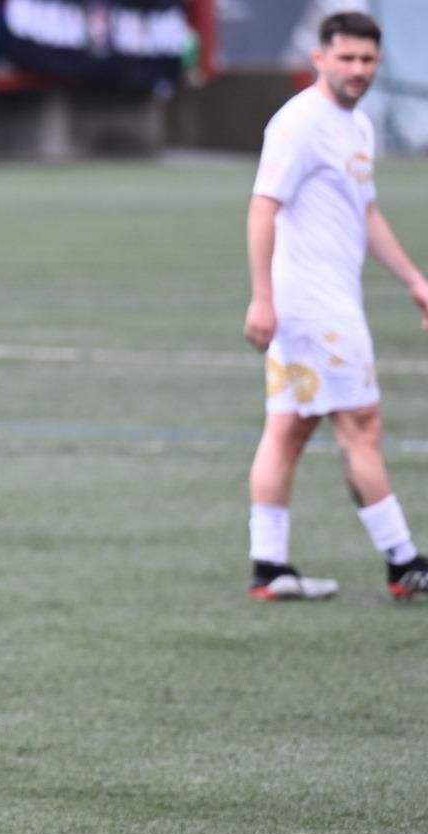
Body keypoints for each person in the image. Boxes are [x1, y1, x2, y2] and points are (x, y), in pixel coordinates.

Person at [243, 10, 428, 601]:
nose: (357, 70)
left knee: (289, 431)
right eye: (345, 58)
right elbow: (262, 206)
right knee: (361, 428)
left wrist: (414, 281)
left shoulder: (358, 125)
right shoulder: (300, 123)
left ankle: (269, 568)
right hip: (315, 311)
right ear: (318, 57)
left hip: (321, 305)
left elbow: (364, 213)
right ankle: (405, 563)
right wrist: (263, 298)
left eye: (367, 60)